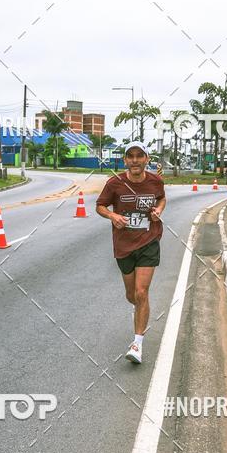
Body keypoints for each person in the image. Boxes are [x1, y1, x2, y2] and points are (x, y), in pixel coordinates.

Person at [96, 141, 166, 364]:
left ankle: (137, 344)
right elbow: (100, 206)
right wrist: (113, 216)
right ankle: (139, 312)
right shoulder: (114, 183)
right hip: (124, 245)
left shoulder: (155, 180)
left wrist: (158, 210)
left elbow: (161, 198)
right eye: (130, 156)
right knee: (132, 296)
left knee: (141, 292)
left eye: (139, 155)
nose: (135, 160)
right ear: (125, 160)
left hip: (149, 241)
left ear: (147, 159)